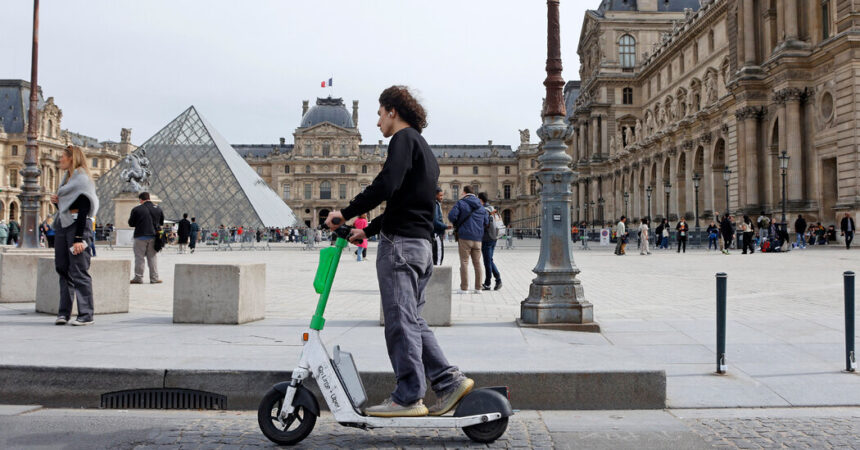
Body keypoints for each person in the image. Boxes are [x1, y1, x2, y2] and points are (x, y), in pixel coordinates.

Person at [324, 85, 473, 418]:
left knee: (400, 323)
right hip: (421, 246)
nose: (378, 123)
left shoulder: (402, 141)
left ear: (392, 110)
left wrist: (345, 213)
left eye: (379, 114)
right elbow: (405, 203)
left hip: (401, 248)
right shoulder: (425, 149)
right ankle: (448, 382)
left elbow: (386, 185)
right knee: (414, 320)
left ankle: (408, 396)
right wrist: (367, 230)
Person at [51, 145, 99, 326]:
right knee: (62, 267)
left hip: (78, 226)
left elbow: (84, 208)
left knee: (79, 270)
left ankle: (86, 314)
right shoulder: (66, 179)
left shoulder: (82, 179)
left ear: (72, 158)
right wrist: (57, 203)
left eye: (62, 156)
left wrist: (79, 238)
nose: (60, 159)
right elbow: (65, 208)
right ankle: (64, 313)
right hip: (63, 225)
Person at [448, 185, 488, 294]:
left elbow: (452, 216)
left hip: (465, 237)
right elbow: (486, 222)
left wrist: (458, 222)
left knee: (464, 262)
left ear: (464, 192)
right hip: (478, 239)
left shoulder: (461, 203)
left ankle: (464, 288)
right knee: (477, 263)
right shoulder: (481, 206)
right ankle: (478, 288)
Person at [128, 192, 164, 284]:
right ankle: (154, 278)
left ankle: (138, 278)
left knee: (139, 258)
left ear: (141, 199)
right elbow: (161, 222)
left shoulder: (137, 209)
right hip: (154, 236)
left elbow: (131, 223)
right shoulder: (158, 209)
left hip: (140, 236)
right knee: (152, 258)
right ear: (149, 198)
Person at [478, 192, 501, 290]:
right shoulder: (492, 208)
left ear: (480, 200)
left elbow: (484, 223)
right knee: (490, 260)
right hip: (494, 237)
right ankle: (497, 280)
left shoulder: (484, 210)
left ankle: (489, 283)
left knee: (487, 261)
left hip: (486, 238)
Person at [431, 187, 449, 265]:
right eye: (440, 195)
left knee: (436, 257)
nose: (441, 197)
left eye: (442, 195)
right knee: (438, 258)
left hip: (435, 233)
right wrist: (445, 226)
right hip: (437, 233)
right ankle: (437, 276)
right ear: (435, 195)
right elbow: (435, 221)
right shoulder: (435, 205)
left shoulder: (435, 204)